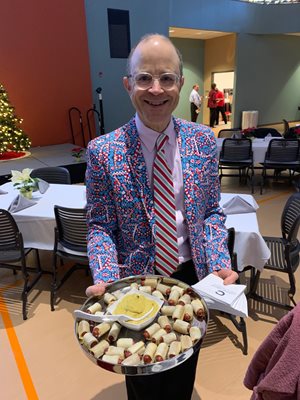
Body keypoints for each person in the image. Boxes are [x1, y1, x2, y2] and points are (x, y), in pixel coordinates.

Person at [85, 33, 238, 400]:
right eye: (144, 78)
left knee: (183, 367)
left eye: (167, 78)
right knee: (142, 373)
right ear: (128, 84)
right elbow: (100, 226)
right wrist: (106, 279)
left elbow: (212, 212)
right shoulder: (104, 152)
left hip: (192, 278)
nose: (156, 89)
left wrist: (218, 261)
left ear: (181, 84)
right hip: (135, 283)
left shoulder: (202, 140)